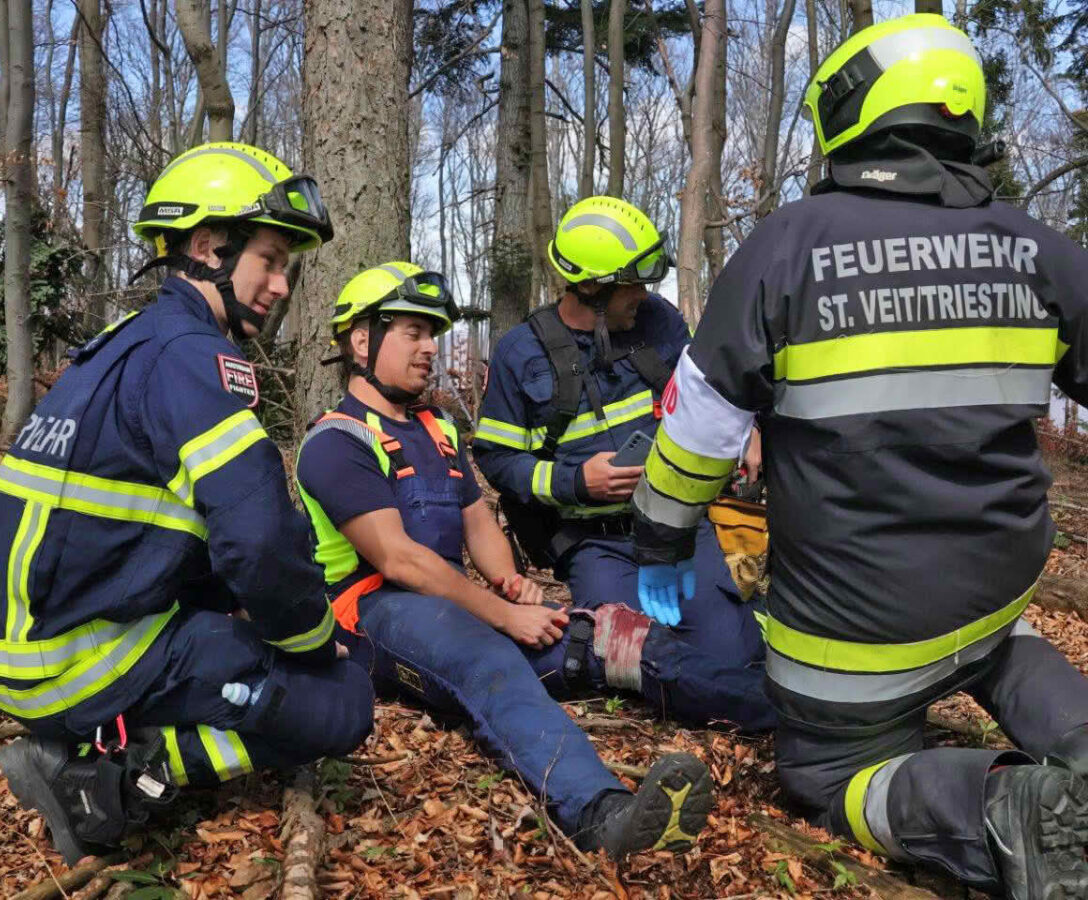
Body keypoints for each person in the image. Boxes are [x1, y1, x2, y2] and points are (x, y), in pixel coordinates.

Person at [629, 16, 1088, 898]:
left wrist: (657, 539)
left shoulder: (787, 247)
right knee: (998, 646)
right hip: (995, 590)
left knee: (828, 773)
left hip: (854, 634)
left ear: (848, 111)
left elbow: (699, 430)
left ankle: (1003, 811)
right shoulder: (1038, 250)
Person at [0, 142, 375, 864]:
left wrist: (234, 608)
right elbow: (258, 541)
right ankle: (106, 780)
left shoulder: (125, 343)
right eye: (270, 260)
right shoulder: (195, 357)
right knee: (343, 699)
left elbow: (165, 524)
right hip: (71, 657)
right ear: (208, 246)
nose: (280, 285)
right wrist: (307, 636)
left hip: (9, 637)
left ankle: (103, 740)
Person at [295, 261, 719, 859]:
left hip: (448, 601)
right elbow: (400, 560)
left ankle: (773, 715)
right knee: (489, 662)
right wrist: (500, 613)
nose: (428, 349)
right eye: (413, 333)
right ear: (361, 341)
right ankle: (600, 812)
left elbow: (475, 518)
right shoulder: (336, 442)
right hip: (373, 612)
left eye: (432, 334)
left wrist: (509, 580)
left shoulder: (436, 426)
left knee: (610, 643)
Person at [473, 196, 772, 731]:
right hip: (594, 544)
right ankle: (765, 707)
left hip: (678, 528)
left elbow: (711, 392)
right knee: (636, 657)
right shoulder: (521, 353)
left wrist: (744, 427)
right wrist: (576, 482)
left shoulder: (659, 323)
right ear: (591, 286)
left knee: (732, 653)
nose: (644, 294)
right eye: (632, 282)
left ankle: (764, 662)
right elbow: (497, 460)